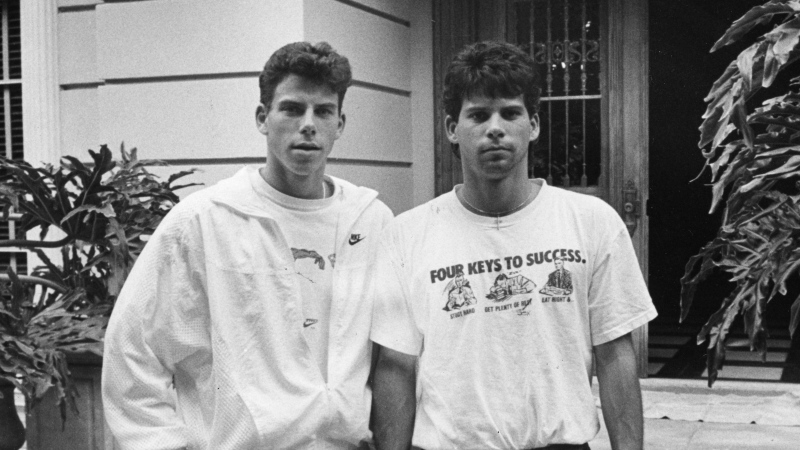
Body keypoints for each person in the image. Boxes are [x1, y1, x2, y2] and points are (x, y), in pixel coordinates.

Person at [102, 41, 393, 449]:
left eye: (323, 111)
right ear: (263, 117)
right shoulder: (206, 220)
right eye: (292, 109)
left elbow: (393, 355)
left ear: (340, 124)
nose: (308, 124)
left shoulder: (371, 220)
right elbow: (132, 351)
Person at [370, 41, 657, 450]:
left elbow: (615, 354)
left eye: (510, 112)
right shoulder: (408, 234)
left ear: (534, 124)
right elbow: (395, 368)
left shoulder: (590, 222)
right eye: (478, 115)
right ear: (452, 127)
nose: (495, 128)